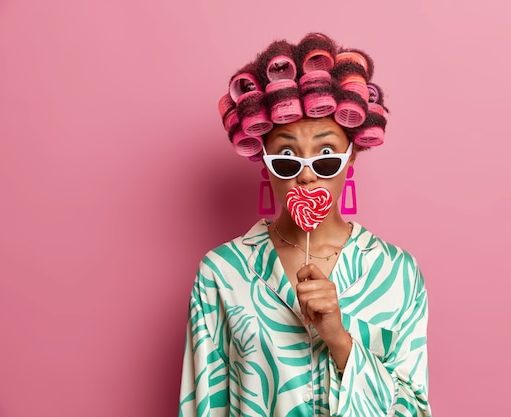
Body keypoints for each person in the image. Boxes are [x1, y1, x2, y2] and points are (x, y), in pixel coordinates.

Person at [179, 33, 431, 417]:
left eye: (326, 156)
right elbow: (203, 406)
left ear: (351, 160)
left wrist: (340, 341)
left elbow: (414, 409)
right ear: (265, 164)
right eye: (286, 158)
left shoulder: (397, 273)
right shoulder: (221, 273)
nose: (307, 176)